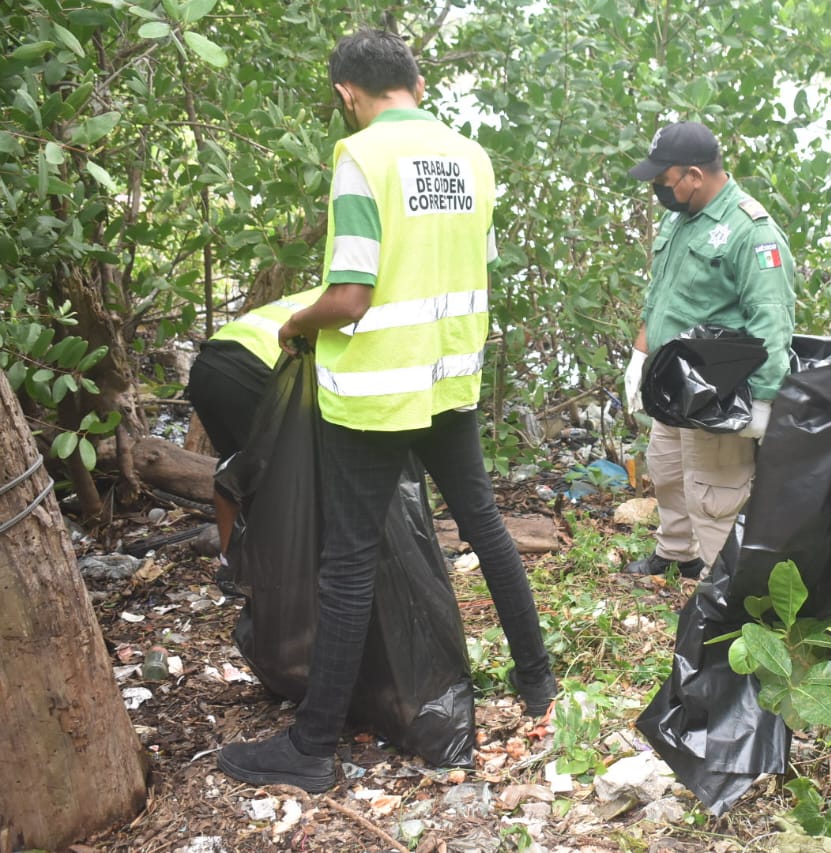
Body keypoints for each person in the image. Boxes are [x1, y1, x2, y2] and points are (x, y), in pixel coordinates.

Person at [217, 30, 556, 793]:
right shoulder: (474, 158)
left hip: (375, 395)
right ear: (421, 81)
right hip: (448, 380)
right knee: (486, 527)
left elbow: (352, 295)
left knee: (347, 565)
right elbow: (468, 263)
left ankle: (310, 748)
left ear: (347, 93)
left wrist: (297, 322)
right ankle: (539, 684)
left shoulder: (361, 158)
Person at [621, 121, 796, 579]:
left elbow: (771, 321)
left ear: (694, 176)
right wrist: (640, 356)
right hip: (671, 380)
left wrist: (761, 401)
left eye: (663, 181)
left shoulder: (751, 231)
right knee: (668, 469)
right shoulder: (678, 219)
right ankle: (676, 551)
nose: (659, 190)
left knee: (714, 491)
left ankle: (722, 582)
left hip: (716, 388)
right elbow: (661, 294)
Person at [186, 286, 325, 593]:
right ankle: (286, 570)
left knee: (233, 465)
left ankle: (231, 566)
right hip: (256, 370)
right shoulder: (354, 298)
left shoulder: (326, 287)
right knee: (287, 472)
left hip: (209, 364)